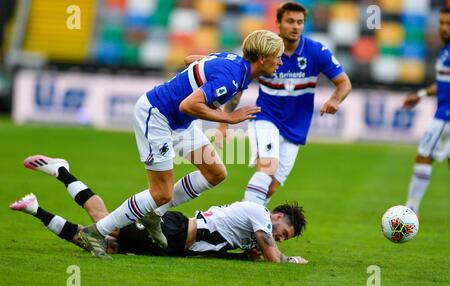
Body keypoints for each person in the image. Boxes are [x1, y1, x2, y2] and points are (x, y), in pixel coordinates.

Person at [51, 29, 284, 259]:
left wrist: (198, 91)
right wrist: (228, 118)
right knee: (160, 192)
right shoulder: (232, 76)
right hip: (158, 116)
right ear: (262, 58)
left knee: (215, 172)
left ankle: (154, 214)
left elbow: (191, 61)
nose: (280, 62)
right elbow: (187, 105)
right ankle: (96, 233)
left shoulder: (234, 64)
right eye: (278, 57)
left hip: (181, 123)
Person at [10, 155, 308, 264]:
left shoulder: (257, 229)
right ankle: (61, 172)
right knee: (103, 224)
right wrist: (290, 258)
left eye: (285, 239)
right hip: (176, 232)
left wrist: (245, 255)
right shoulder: (258, 213)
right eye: (284, 233)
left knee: (109, 245)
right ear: (277, 217)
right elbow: (274, 257)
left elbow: (235, 245)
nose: (281, 238)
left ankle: (36, 208)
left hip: (177, 248)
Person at [214, 2, 352, 205]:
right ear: (278, 23)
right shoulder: (265, 51)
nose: (295, 26)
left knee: (270, 188)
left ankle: (239, 220)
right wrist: (223, 123)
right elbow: (239, 87)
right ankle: (238, 222)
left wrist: (334, 99)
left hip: (296, 127)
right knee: (266, 169)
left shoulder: (315, 51)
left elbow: (344, 83)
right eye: (290, 21)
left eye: (300, 22)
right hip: (266, 117)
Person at [402, 7, 450, 216]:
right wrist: (421, 93)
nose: (444, 28)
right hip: (443, 111)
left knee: (424, 154)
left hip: (446, 115)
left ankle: (412, 209)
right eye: (441, 23)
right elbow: (443, 83)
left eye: (448, 24)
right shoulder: (445, 50)